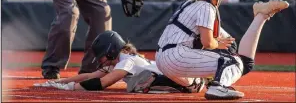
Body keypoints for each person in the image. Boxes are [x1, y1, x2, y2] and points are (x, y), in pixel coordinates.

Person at [129, 0, 289, 99]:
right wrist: (218, 45)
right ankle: (218, 87)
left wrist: (220, 45)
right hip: (177, 56)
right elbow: (208, 42)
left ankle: (156, 80)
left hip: (163, 58)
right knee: (233, 61)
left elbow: (213, 40)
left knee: (196, 85)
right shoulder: (207, 6)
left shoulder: (188, 3)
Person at [34, 31, 205, 94]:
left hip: (186, 81)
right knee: (138, 82)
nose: (100, 60)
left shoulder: (127, 61)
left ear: (110, 50)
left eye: (101, 55)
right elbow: (90, 75)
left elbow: (103, 83)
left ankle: (151, 84)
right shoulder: (120, 60)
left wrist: (72, 88)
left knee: (139, 83)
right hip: (180, 75)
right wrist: (58, 82)